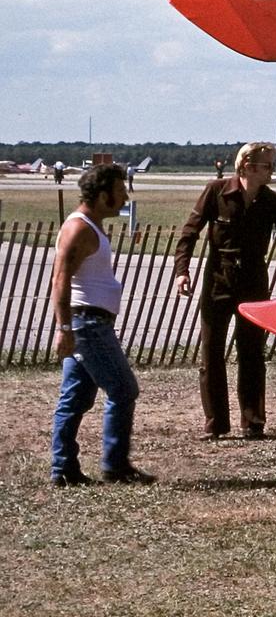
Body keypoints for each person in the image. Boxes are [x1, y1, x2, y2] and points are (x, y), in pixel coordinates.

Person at [173, 141, 276, 439]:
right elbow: (189, 233)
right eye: (267, 165)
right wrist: (181, 272)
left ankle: (253, 422)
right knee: (212, 352)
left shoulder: (274, 202)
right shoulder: (216, 191)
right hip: (218, 277)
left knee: (251, 353)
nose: (272, 171)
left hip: (254, 280)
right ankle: (216, 424)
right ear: (247, 166)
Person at [48, 163, 153, 486]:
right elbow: (60, 280)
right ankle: (115, 466)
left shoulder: (90, 226)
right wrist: (64, 329)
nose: (124, 199)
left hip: (89, 322)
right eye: (120, 193)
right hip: (87, 324)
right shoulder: (79, 228)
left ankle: (64, 469)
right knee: (123, 389)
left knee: (76, 397)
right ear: (102, 193)